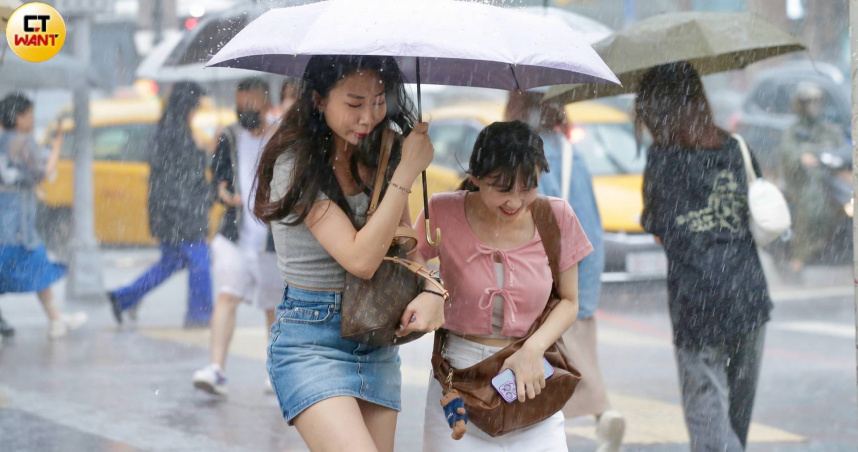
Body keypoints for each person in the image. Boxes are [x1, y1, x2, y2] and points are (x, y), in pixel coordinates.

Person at [253, 55, 443, 452]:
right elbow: (360, 258)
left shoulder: (383, 150)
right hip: (310, 338)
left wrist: (431, 291)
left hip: (375, 333)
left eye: (378, 101)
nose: (368, 117)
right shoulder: (295, 163)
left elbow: (402, 245)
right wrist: (406, 172)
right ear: (319, 100)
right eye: (354, 104)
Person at [418, 120, 593, 451]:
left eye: (528, 187)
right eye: (502, 188)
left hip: (531, 379)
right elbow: (408, 264)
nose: (515, 201)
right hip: (459, 381)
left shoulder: (557, 216)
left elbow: (570, 301)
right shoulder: (443, 210)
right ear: (476, 179)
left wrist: (532, 348)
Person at [637, 61, 771, 452]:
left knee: (707, 410)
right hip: (748, 292)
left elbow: (658, 226)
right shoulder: (735, 148)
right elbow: (757, 212)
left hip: (697, 298)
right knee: (736, 415)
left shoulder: (662, 158)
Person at [506, 94, 625, 452]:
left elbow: (526, 217)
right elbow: (589, 224)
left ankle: (591, 416)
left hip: (542, 279)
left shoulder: (520, 155)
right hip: (578, 274)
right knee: (575, 360)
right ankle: (602, 415)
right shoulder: (571, 152)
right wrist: (587, 286)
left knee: (546, 363)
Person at [192, 77, 281, 395]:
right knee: (227, 296)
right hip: (235, 234)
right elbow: (218, 180)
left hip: (271, 238)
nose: (244, 112)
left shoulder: (281, 137)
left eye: (251, 106)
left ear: (266, 103)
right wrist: (223, 192)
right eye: (240, 106)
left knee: (273, 307)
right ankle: (216, 368)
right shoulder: (229, 136)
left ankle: (276, 372)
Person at [107, 81, 214, 327]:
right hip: (182, 211)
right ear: (187, 106)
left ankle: (123, 297)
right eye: (196, 106)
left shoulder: (168, 130)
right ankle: (201, 314)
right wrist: (204, 151)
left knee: (171, 263)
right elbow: (187, 175)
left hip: (167, 210)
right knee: (200, 262)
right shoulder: (176, 134)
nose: (197, 111)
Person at [0, 93, 87, 340]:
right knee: (35, 261)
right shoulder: (21, 142)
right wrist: (57, 147)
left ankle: (56, 320)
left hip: (6, 217)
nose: (32, 120)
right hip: (15, 221)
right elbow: (42, 172)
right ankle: (56, 321)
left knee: (30, 263)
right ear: (19, 117)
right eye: (30, 115)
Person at [779, 81, 845, 276]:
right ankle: (799, 259)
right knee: (813, 205)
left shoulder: (827, 128)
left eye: (816, 100)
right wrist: (804, 156)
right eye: (808, 101)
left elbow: (840, 148)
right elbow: (789, 154)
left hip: (830, 181)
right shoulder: (794, 130)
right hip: (801, 184)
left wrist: (824, 156)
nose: (813, 105)